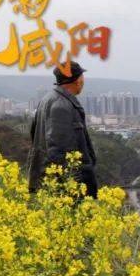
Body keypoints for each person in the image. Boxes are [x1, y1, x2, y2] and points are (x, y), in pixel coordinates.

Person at [27, 60, 98, 197]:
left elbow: (33, 134)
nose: (83, 80)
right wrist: (74, 188)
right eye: (82, 76)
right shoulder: (61, 106)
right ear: (77, 80)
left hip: (52, 184)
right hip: (65, 190)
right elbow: (59, 152)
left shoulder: (48, 99)